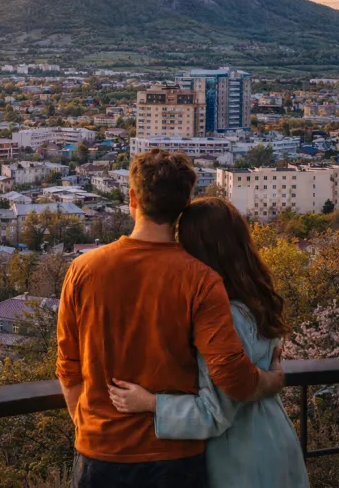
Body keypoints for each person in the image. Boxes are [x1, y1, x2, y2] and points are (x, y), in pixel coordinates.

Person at [57, 149, 285, 488]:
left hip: (100, 453)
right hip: (175, 459)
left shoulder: (84, 270)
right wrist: (275, 379)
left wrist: (89, 426)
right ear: (184, 204)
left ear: (132, 198)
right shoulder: (200, 280)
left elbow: (68, 367)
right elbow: (233, 378)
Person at [108, 197, 309, 487]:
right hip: (272, 441)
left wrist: (150, 403)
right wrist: (272, 379)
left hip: (241, 457)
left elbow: (216, 412)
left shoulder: (224, 315)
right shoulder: (254, 301)